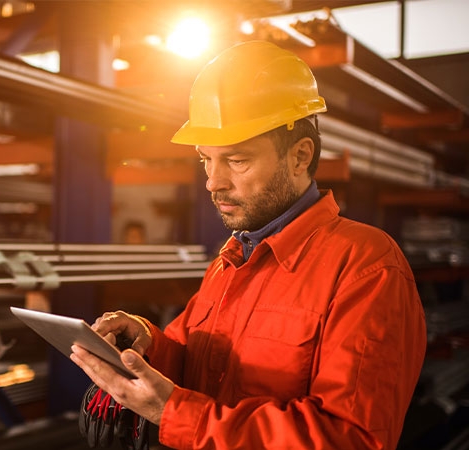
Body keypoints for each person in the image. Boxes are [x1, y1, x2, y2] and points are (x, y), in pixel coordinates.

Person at [70, 40, 427, 449]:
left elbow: (350, 438)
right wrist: (147, 344)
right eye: (206, 159)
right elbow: (196, 361)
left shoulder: (366, 266)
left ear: (300, 156)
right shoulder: (232, 258)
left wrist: (173, 413)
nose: (213, 181)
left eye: (236, 160)